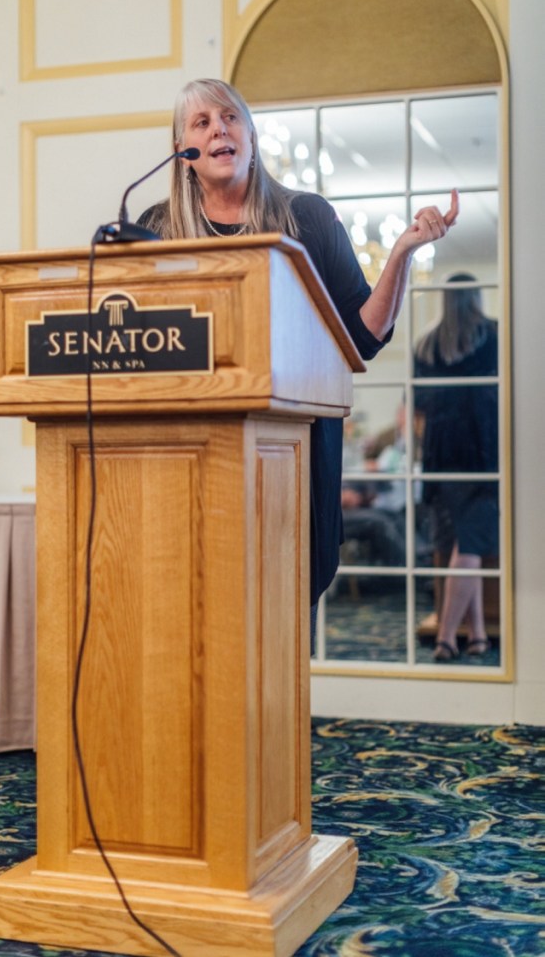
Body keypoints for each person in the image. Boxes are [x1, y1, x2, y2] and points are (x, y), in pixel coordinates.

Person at [138, 77, 459, 605]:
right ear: (183, 152)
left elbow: (364, 336)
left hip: (294, 453)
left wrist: (401, 251)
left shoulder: (306, 218)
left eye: (230, 118)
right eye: (202, 123)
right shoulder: (156, 229)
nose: (219, 129)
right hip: (190, 458)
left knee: (283, 617)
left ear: (251, 135)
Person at [414, 273, 498, 661]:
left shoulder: (425, 345)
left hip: (437, 454)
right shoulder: (492, 335)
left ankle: (478, 634)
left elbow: (418, 410)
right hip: (479, 451)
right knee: (469, 546)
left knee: (460, 547)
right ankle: (448, 638)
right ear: (477, 297)